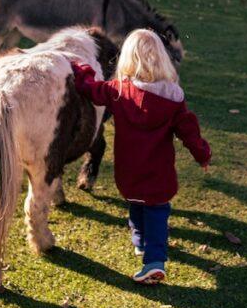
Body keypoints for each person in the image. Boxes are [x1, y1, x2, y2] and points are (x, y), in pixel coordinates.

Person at [70, 29, 211, 284]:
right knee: (156, 211)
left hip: (128, 172)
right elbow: (190, 132)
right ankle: (150, 253)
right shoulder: (173, 97)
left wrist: (81, 68)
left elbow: (90, 89)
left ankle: (149, 254)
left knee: (136, 203)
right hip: (159, 173)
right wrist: (202, 154)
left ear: (127, 58)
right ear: (161, 59)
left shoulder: (118, 90)